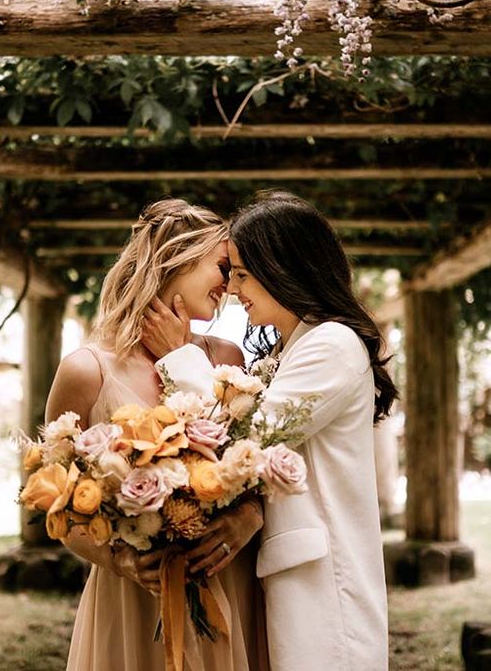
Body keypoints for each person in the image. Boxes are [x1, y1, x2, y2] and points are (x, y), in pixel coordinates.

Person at [142, 189, 397, 671]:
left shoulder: (333, 345)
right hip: (293, 576)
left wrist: (179, 355)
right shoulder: (295, 348)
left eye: (241, 273)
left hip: (327, 585)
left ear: (284, 265)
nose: (234, 291)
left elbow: (246, 440)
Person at [45, 198, 269, 671]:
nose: (230, 284)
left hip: (226, 577)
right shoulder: (86, 370)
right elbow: (56, 503)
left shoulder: (226, 355)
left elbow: (253, 462)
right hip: (134, 595)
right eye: (222, 267)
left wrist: (247, 517)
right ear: (176, 258)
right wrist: (121, 561)